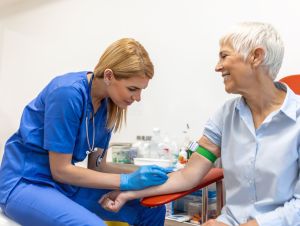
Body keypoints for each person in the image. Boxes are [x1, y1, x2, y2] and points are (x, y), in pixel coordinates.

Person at [100, 22, 300, 226]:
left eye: (224, 56)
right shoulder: (226, 116)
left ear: (256, 57)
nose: (217, 66)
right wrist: (129, 192)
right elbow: (187, 175)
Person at [0, 38, 171, 226]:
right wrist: (127, 180)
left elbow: (98, 166)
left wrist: (144, 174)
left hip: (64, 185)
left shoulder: (108, 105)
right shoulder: (67, 93)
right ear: (108, 76)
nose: (138, 98)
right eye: (132, 89)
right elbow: (61, 170)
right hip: (26, 182)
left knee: (150, 207)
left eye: (141, 90)